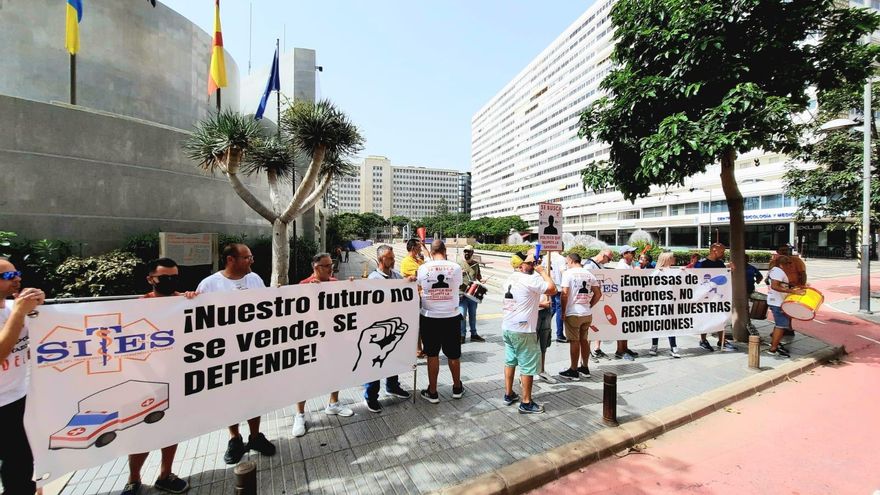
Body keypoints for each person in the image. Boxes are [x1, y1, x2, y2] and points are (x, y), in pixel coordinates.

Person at [195, 244, 276, 464]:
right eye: (247, 257)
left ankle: (255, 435)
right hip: (225, 355)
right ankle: (235, 438)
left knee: (254, 396)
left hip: (254, 350)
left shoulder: (255, 280)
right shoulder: (210, 285)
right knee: (230, 398)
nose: (252, 261)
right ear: (231, 260)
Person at [123, 258, 196, 495]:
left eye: (175, 277)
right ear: (150, 279)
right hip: (145, 381)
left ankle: (166, 474)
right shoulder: (138, 306)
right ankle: (134, 479)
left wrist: (196, 301)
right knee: (141, 432)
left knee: (171, 429)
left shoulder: (184, 301)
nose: (171, 282)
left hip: (176, 377)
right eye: (165, 278)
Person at [293, 253, 356, 435]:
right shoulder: (304, 285)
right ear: (315, 267)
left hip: (334, 338)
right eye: (326, 266)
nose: (331, 269)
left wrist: (352, 286)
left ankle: (333, 403)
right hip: (312, 340)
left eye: (331, 265)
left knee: (336, 370)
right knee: (304, 377)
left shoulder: (335, 283)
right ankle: (299, 415)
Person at [0, 258, 44, 495]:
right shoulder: (14, 310)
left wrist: (40, 307)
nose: (17, 279)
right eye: (8, 276)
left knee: (22, 463)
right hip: (2, 404)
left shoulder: (12, 308)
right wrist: (19, 311)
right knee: (17, 466)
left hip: (20, 397)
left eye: (17, 273)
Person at [502, 250, 556, 413]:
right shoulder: (530, 279)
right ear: (520, 265)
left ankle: (509, 393)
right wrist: (542, 272)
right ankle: (526, 402)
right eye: (530, 263)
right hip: (524, 330)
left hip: (508, 327)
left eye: (534, 262)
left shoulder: (511, 278)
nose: (534, 265)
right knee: (528, 366)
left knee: (510, 361)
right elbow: (552, 289)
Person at [362, 245, 413, 413]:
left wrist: (410, 283)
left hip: (394, 325)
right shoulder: (373, 279)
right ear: (380, 260)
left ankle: (392, 386)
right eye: (390, 258)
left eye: (392, 257)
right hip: (378, 328)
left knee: (392, 358)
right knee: (375, 363)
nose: (393, 260)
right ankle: (370, 396)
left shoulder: (396, 276)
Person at [417, 240, 465, 403]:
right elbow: (458, 285)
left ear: (431, 250)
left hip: (429, 317)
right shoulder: (455, 267)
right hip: (451, 317)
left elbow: (419, 287)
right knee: (453, 354)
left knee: (432, 354)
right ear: (445, 250)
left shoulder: (423, 268)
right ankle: (457, 387)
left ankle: (433, 392)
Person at [558, 253, 601, 380]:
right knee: (584, 340)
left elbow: (564, 294)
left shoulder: (568, 273)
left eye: (567, 262)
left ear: (571, 260)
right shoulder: (588, 273)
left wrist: (563, 311)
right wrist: (589, 305)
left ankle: (573, 369)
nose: (566, 264)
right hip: (586, 312)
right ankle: (585, 367)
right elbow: (598, 294)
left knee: (574, 341)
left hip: (573, 312)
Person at [694, 243, 736, 352]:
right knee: (705, 318)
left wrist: (730, 271)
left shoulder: (720, 263)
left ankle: (722, 340)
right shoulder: (701, 264)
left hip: (718, 296)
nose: (723, 253)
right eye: (721, 251)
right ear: (714, 250)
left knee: (720, 318)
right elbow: (695, 279)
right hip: (706, 297)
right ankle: (703, 340)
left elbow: (724, 279)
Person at [766, 256, 804, 357]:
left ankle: (774, 344)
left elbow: (781, 284)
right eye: (789, 264)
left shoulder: (775, 270)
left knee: (779, 324)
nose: (791, 266)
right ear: (783, 264)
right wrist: (792, 291)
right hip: (777, 302)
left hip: (776, 301)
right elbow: (775, 286)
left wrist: (794, 287)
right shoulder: (778, 271)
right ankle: (773, 349)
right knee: (781, 325)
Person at [648, 252, 681, 358]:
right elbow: (647, 282)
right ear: (667, 259)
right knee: (657, 324)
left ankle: (673, 347)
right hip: (658, 302)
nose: (674, 258)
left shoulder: (674, 271)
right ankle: (654, 345)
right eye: (672, 257)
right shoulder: (658, 271)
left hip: (670, 302)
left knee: (670, 324)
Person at [768, 244, 806, 338]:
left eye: (787, 249)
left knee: (788, 310)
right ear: (778, 251)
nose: (785, 251)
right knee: (781, 316)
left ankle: (788, 328)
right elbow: (773, 283)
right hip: (781, 293)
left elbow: (803, 273)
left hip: (793, 288)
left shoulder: (797, 260)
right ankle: (777, 340)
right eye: (782, 250)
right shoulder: (775, 264)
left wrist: (802, 286)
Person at [583, 249, 612, 360]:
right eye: (609, 259)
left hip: (600, 299)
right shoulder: (589, 266)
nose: (609, 262)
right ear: (603, 255)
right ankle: (587, 351)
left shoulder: (600, 265)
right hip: (592, 300)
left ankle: (597, 348)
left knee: (599, 325)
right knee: (591, 326)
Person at [401, 239, 427, 358]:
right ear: (413, 248)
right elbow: (419, 275)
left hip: (422, 296)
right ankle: (417, 349)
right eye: (418, 247)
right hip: (414, 297)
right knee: (416, 324)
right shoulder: (406, 262)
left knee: (423, 324)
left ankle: (422, 348)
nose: (420, 249)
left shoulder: (419, 260)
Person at [613, 245, 639, 360]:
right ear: (624, 254)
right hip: (622, 299)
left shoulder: (632, 265)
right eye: (631, 252)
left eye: (633, 252)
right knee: (622, 325)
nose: (633, 254)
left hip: (630, 299)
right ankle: (620, 350)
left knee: (627, 325)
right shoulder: (621, 266)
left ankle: (625, 347)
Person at [458, 245, 486, 343]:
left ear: (472, 253)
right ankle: (462, 335)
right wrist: (458, 274)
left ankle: (474, 334)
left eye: (468, 252)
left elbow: (479, 276)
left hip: (472, 294)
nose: (466, 253)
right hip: (461, 294)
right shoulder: (459, 264)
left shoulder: (475, 264)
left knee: (473, 315)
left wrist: (482, 280)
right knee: (462, 315)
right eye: (465, 251)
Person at [535, 292, 556, 383]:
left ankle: (541, 370)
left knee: (544, 344)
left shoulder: (546, 279)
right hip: (533, 312)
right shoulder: (527, 279)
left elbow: (554, 290)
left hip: (546, 311)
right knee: (531, 345)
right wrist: (541, 304)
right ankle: (525, 374)